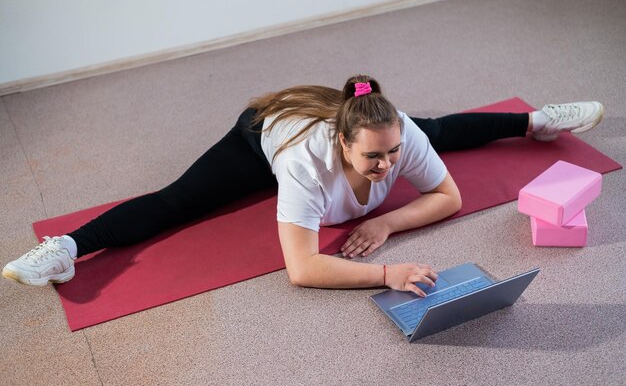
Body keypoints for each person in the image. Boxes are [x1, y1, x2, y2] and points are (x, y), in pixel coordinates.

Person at [2, 75, 604, 296]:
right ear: (343, 145)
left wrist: (385, 220)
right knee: (180, 200)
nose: (388, 167)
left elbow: (451, 197)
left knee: (442, 129)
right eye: (374, 157)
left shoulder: (394, 136)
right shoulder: (302, 166)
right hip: (261, 134)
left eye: (395, 152)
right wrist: (389, 273)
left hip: (344, 120)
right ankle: (65, 249)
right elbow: (303, 269)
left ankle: (540, 120)